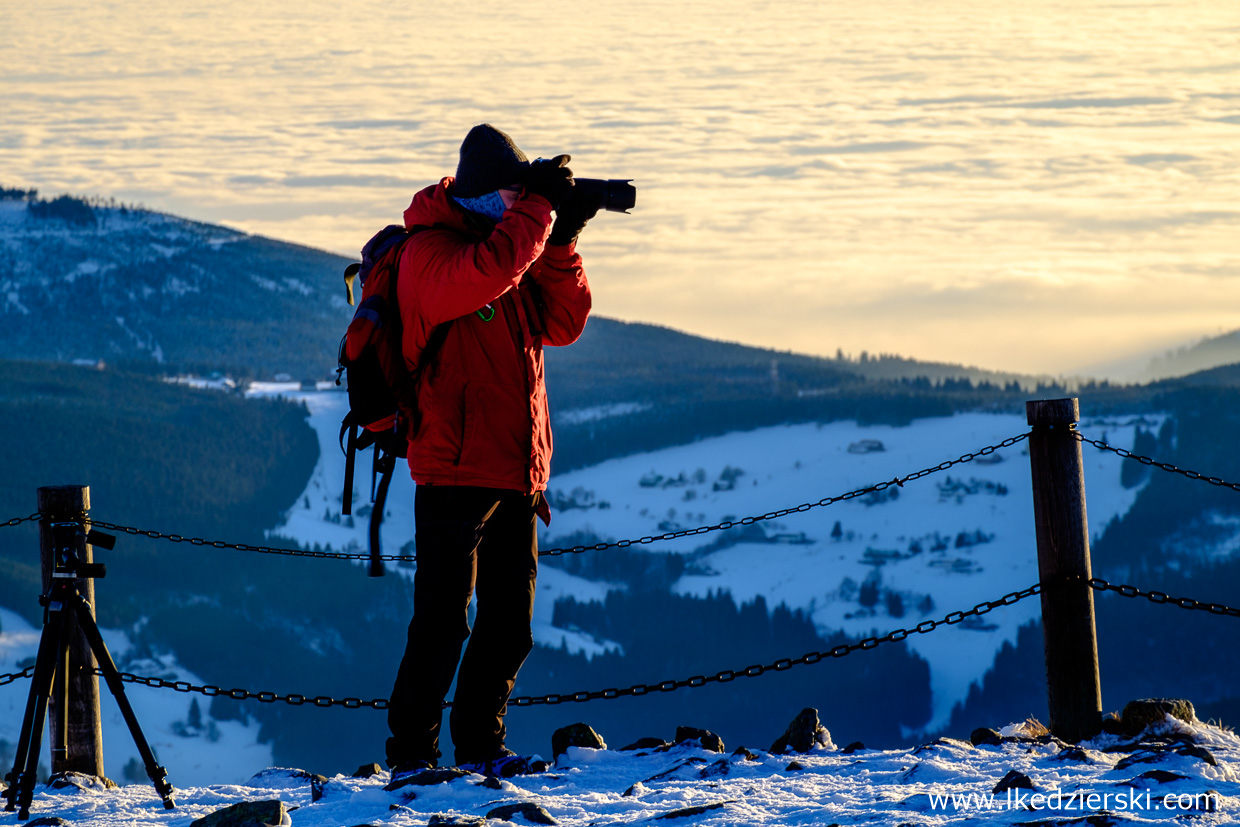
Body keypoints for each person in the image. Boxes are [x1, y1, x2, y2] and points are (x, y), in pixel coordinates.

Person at [384, 124, 595, 782]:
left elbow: (564, 323)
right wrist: (539, 208)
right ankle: (412, 754)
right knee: (443, 624)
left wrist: (560, 240)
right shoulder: (433, 254)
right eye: (509, 194)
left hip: (516, 470)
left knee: (510, 624)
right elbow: (492, 271)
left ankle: (481, 744)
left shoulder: (509, 244)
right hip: (452, 469)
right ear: (483, 196)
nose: (516, 205)